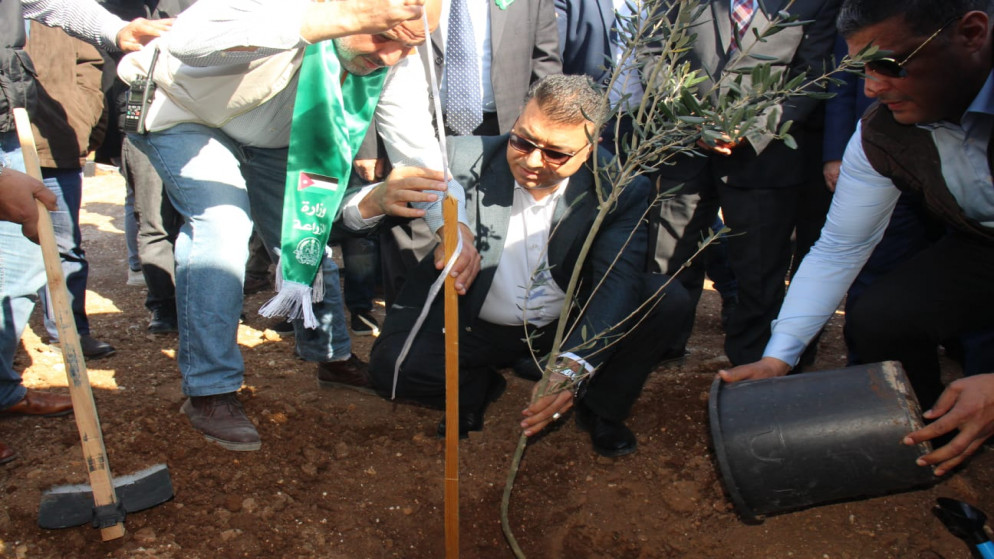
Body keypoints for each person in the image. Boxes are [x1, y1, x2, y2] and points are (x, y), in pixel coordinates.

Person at [123, 0, 457, 452]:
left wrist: (451, 230)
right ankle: (210, 390)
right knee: (222, 225)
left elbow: (417, 150)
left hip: (278, 136)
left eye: (408, 44)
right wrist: (337, 21)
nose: (390, 56)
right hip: (184, 112)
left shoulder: (396, 58)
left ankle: (331, 357)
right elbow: (187, 41)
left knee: (306, 233)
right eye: (383, 35)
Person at [341, 75, 692, 457]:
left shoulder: (618, 188)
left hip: (563, 324)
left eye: (556, 153)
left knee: (665, 299)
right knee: (394, 372)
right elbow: (336, 227)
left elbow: (616, 283)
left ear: (591, 149)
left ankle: (600, 409)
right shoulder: (459, 159)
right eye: (522, 140)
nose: (532, 161)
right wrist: (374, 201)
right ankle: (476, 387)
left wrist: (573, 366)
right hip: (470, 322)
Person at [720, 0, 994, 477]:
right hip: (980, 243)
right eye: (861, 68)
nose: (872, 87)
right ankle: (934, 436)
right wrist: (777, 358)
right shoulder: (880, 132)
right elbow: (840, 247)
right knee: (882, 317)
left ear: (970, 34)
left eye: (890, 64)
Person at [1, 0, 168, 465]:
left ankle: (3, 393)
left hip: (11, 125)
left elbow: (51, 2)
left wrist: (117, 31)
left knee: (18, 269)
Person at [645, 0, 840, 366]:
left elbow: (814, 72)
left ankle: (750, 362)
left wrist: (751, 128)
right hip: (685, 148)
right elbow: (653, 50)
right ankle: (659, 348)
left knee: (759, 267)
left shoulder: (813, 4)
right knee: (668, 258)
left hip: (763, 158)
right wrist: (688, 114)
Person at [25, 21, 116, 359]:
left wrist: (81, 122)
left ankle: (69, 330)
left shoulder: (63, 15)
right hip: (8, 150)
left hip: (57, 144)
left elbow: (91, 68)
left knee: (64, 246)